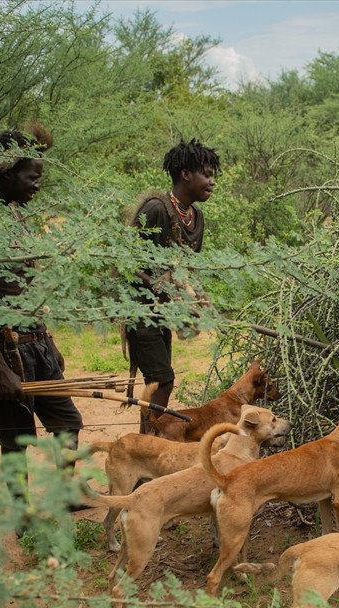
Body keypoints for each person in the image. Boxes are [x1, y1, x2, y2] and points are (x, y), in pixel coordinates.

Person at [0, 124, 84, 507]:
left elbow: (25, 291)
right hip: (5, 348)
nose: (37, 185)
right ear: (8, 172)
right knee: (15, 438)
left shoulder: (15, 217)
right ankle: (21, 512)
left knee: (67, 424)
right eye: (32, 177)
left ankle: (65, 495)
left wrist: (48, 341)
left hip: (37, 343)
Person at [126, 138, 220, 431]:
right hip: (141, 312)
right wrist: (164, 288)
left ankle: (147, 444)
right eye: (207, 174)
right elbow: (128, 264)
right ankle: (146, 444)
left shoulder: (196, 217)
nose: (212, 182)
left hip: (165, 314)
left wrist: (201, 298)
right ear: (186, 174)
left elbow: (188, 267)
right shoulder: (155, 210)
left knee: (159, 380)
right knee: (161, 381)